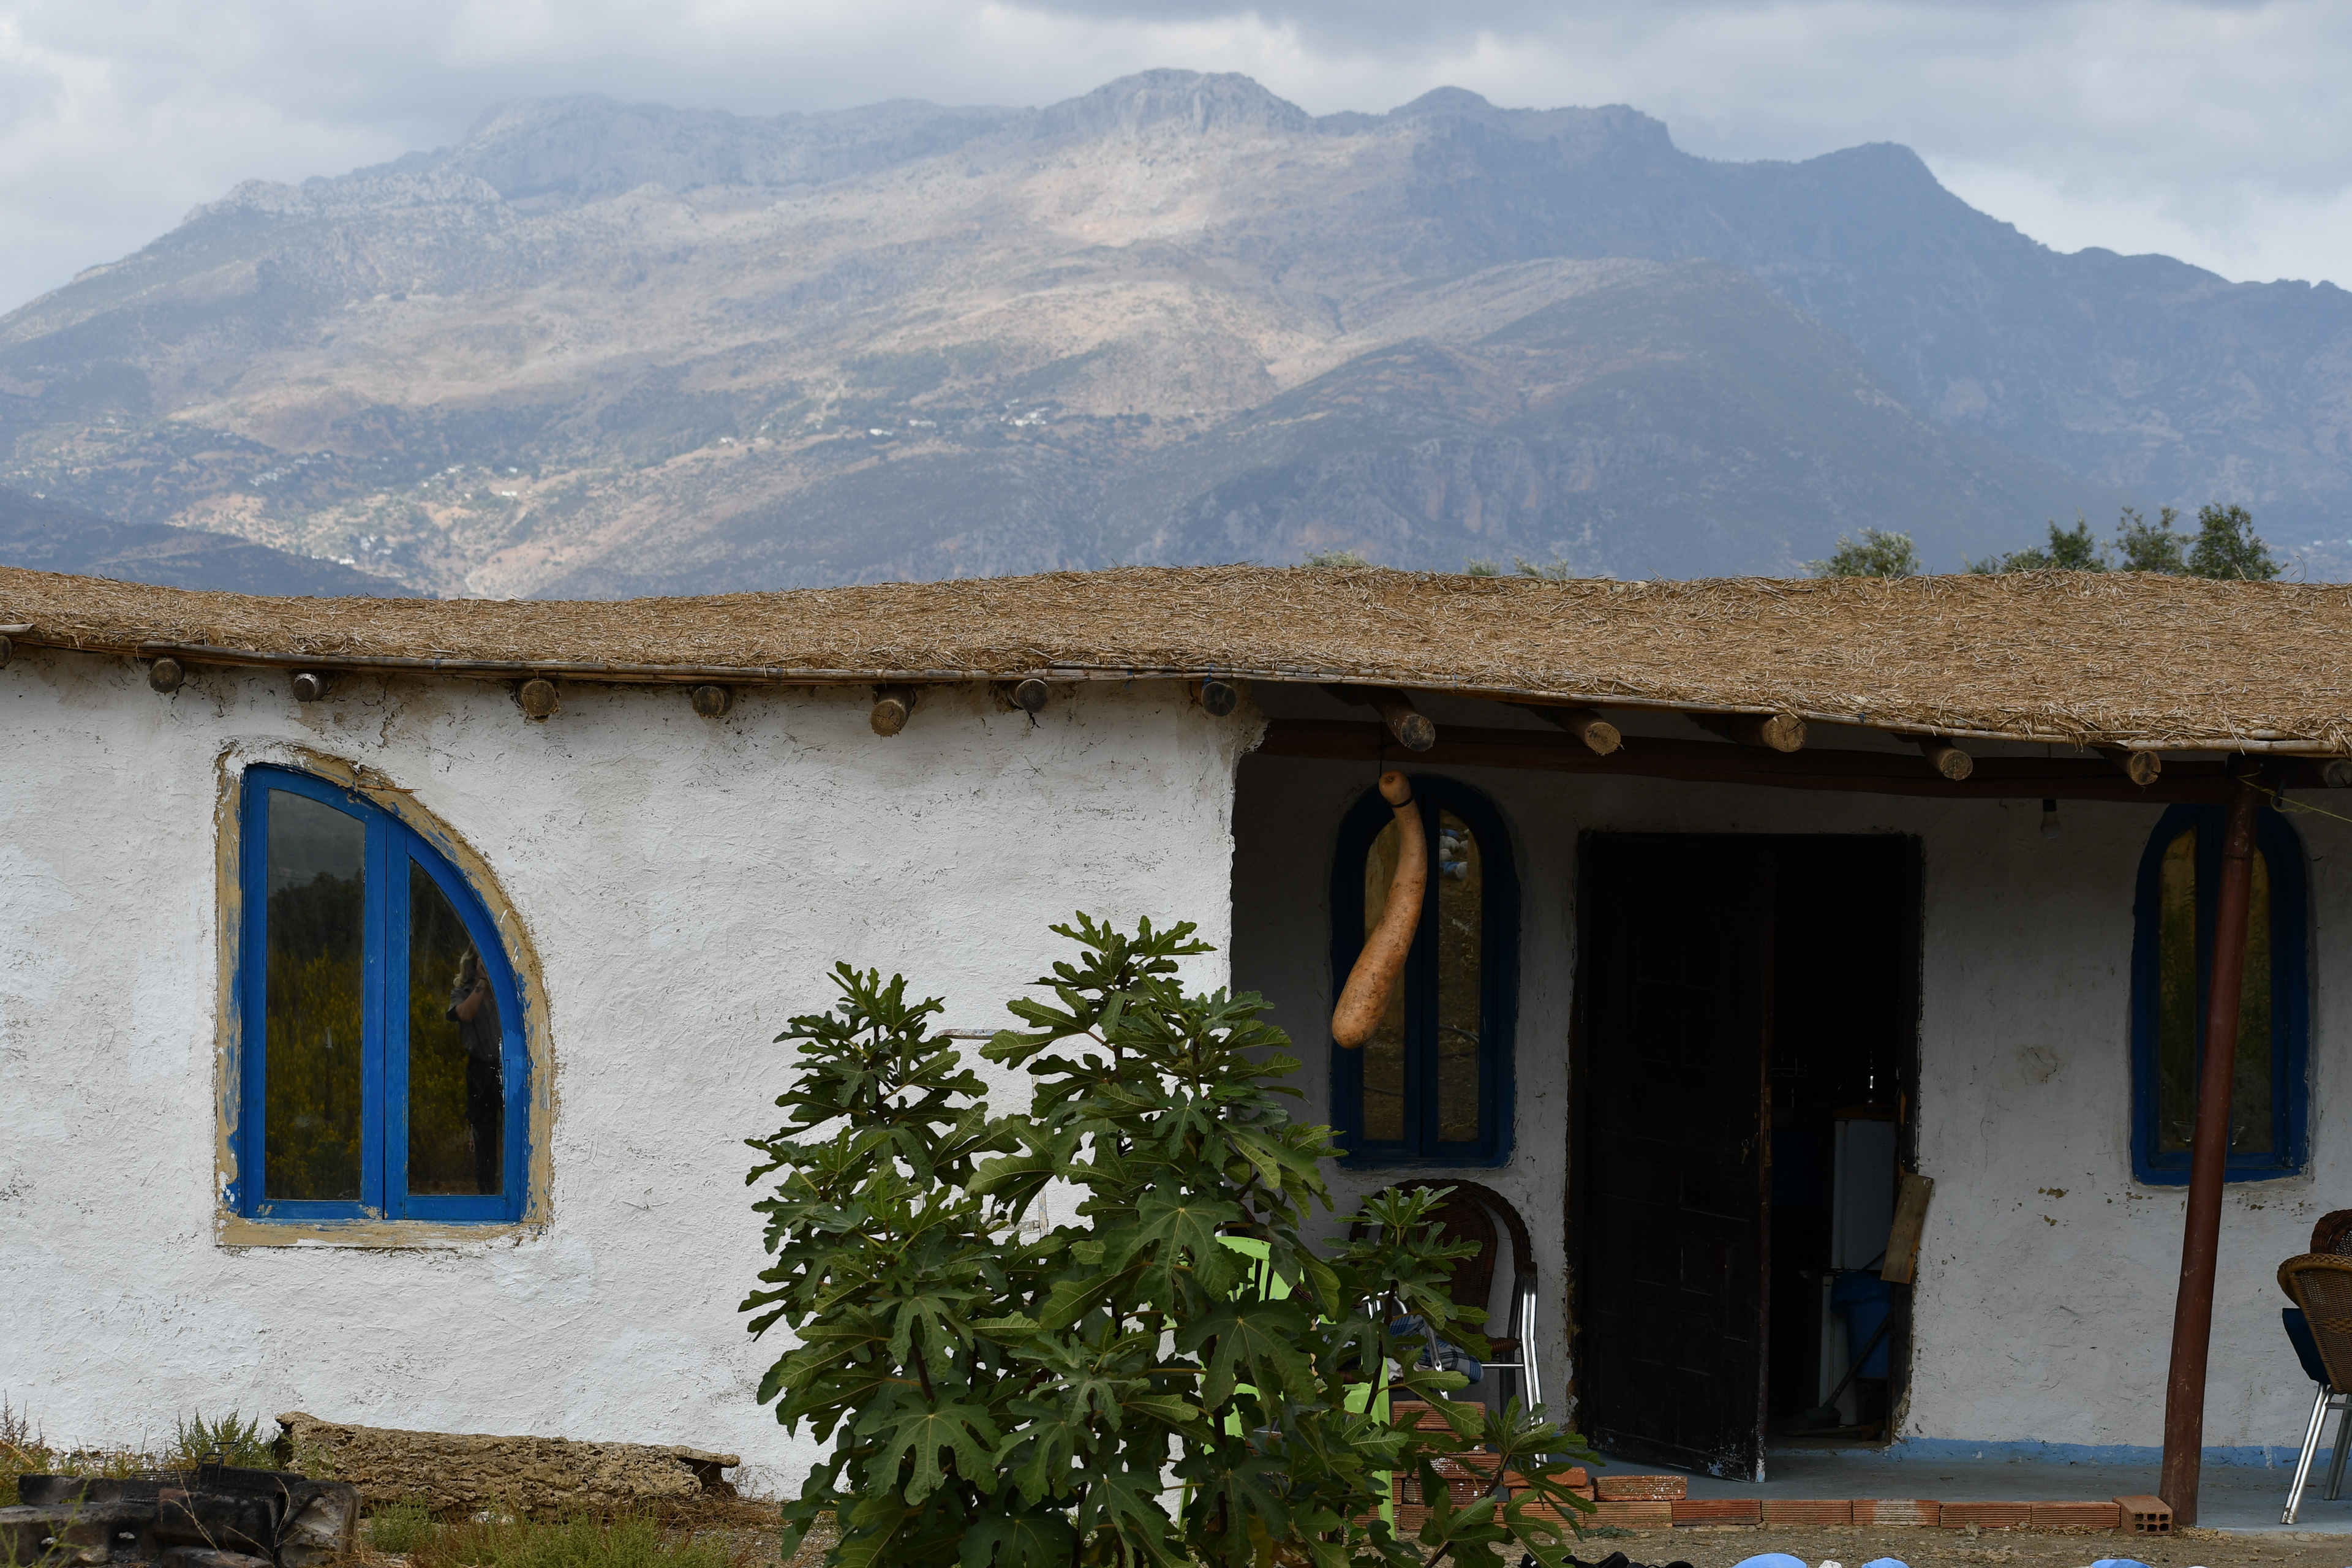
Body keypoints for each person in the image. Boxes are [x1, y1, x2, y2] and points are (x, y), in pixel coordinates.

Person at [447, 949, 502, 1193]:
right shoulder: (463, 992)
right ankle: (487, 1194)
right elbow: (465, 1014)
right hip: (479, 1070)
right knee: (484, 1137)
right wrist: (482, 982)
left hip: (505, 1068)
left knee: (513, 1130)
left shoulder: (504, 992)